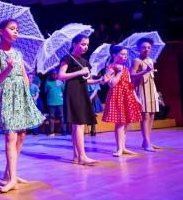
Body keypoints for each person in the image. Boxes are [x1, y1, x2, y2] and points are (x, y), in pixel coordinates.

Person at [0, 19, 45, 193]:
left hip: (21, 94)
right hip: (7, 95)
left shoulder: (19, 53)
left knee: (22, 135)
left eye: (17, 30)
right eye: (12, 29)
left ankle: (9, 174)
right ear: (1, 32)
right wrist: (8, 68)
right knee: (10, 136)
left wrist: (27, 85)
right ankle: (12, 179)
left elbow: (23, 74)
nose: (15, 32)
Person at [58, 34, 110, 165]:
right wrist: (79, 72)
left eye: (87, 44)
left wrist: (100, 80)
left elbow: (87, 81)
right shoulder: (68, 59)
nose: (85, 47)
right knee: (79, 125)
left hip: (82, 92)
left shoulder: (84, 62)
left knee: (77, 126)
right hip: (73, 93)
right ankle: (82, 156)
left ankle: (77, 156)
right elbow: (61, 75)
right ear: (74, 44)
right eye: (82, 44)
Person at [103, 45, 142, 157]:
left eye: (126, 54)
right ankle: (119, 148)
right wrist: (119, 73)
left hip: (128, 95)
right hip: (117, 96)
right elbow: (111, 84)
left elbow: (130, 84)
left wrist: (136, 98)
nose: (125, 56)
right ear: (114, 55)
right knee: (120, 122)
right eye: (123, 54)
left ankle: (123, 147)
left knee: (127, 121)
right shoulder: (111, 68)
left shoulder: (125, 68)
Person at [130, 37, 162, 151]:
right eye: (144, 47)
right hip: (142, 88)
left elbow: (151, 77)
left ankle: (147, 141)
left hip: (151, 88)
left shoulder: (150, 60)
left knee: (152, 114)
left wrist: (157, 94)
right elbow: (132, 75)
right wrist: (145, 71)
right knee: (145, 115)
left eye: (149, 47)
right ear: (139, 48)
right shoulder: (137, 60)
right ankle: (146, 142)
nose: (146, 49)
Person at [45, 69, 66, 136]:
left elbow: (63, 90)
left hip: (60, 102)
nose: (54, 75)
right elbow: (45, 91)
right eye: (53, 74)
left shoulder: (60, 82)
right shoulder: (47, 82)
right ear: (50, 75)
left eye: (56, 74)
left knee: (62, 117)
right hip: (51, 103)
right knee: (51, 117)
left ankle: (63, 131)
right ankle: (51, 132)